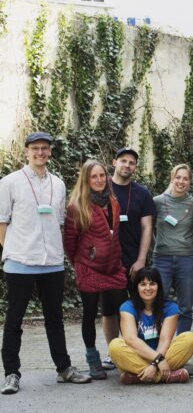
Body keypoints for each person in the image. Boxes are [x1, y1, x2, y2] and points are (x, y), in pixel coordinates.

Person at [0, 132, 91, 394]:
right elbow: (2, 222)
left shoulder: (58, 184)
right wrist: (13, 251)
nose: (40, 152)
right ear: (26, 151)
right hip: (20, 262)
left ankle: (63, 368)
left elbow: (59, 223)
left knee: (55, 319)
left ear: (50, 152)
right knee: (14, 320)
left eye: (45, 148)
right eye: (35, 148)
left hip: (52, 262)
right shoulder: (10, 182)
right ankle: (12, 374)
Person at [64, 160, 128, 380]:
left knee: (124, 312)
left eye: (102, 175)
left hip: (113, 268)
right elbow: (70, 243)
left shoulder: (113, 202)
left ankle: (125, 356)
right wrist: (82, 263)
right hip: (89, 268)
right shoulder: (76, 206)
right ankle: (93, 360)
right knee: (90, 314)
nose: (99, 180)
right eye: (94, 177)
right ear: (86, 180)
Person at [104, 147, 155, 370]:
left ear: (135, 167)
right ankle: (113, 352)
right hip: (107, 262)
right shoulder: (101, 187)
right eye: (123, 161)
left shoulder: (142, 193)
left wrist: (141, 259)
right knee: (110, 310)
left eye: (132, 162)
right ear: (114, 162)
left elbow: (147, 227)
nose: (127, 165)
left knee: (137, 306)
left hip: (134, 261)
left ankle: (137, 348)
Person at [108, 267, 193, 384]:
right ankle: (165, 376)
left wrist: (155, 364)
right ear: (137, 287)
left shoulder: (170, 308)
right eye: (143, 284)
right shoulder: (127, 307)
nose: (148, 288)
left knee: (189, 338)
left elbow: (165, 341)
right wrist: (158, 360)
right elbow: (131, 340)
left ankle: (138, 376)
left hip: (163, 355)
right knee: (115, 346)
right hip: (136, 356)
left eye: (152, 284)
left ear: (158, 286)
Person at [152, 164, 193, 333]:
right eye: (178, 177)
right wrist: (156, 244)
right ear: (172, 178)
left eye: (185, 178)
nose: (181, 181)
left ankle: (181, 346)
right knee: (157, 301)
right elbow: (146, 228)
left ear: (190, 181)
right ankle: (157, 344)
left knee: (186, 305)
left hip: (187, 259)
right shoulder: (157, 202)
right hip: (161, 259)